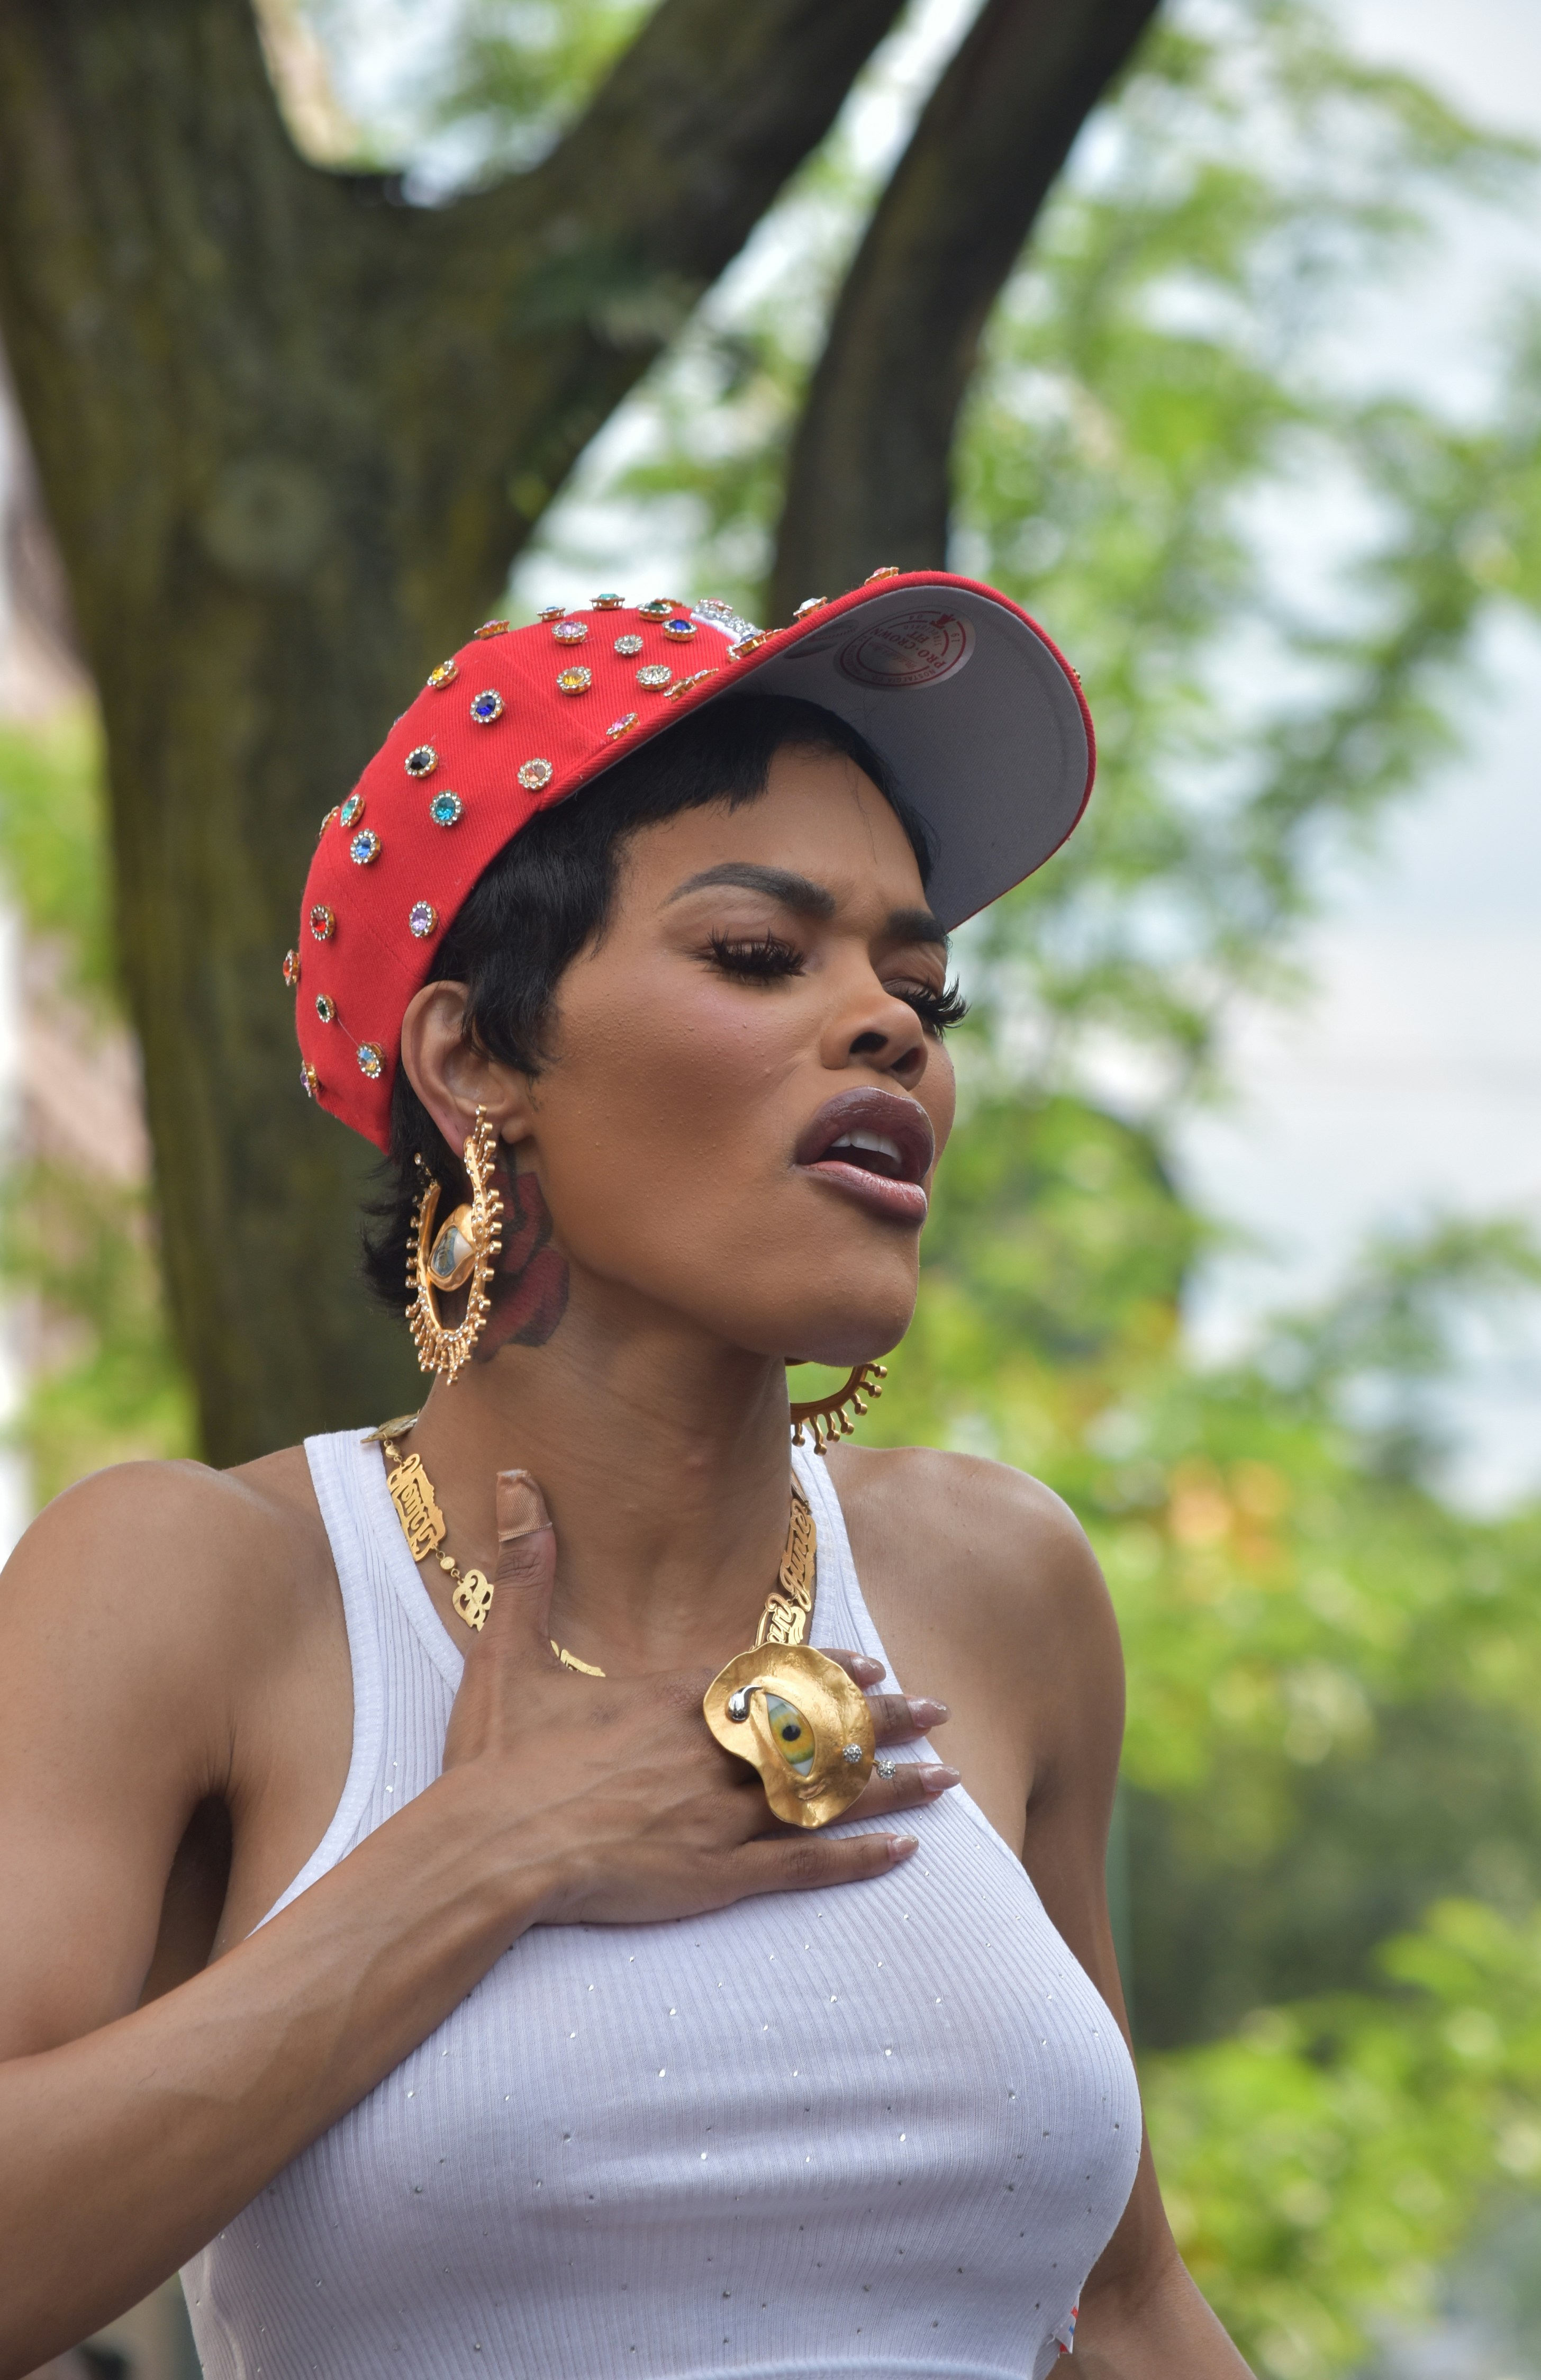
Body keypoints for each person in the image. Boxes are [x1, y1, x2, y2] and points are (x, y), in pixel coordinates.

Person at [0, 575, 1252, 2378]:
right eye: (763, 956)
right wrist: (487, 1854)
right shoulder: (196, 1585)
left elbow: (1122, 2309)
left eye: (923, 987)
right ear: (475, 1059)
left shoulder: (1001, 1582)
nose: (891, 1027)